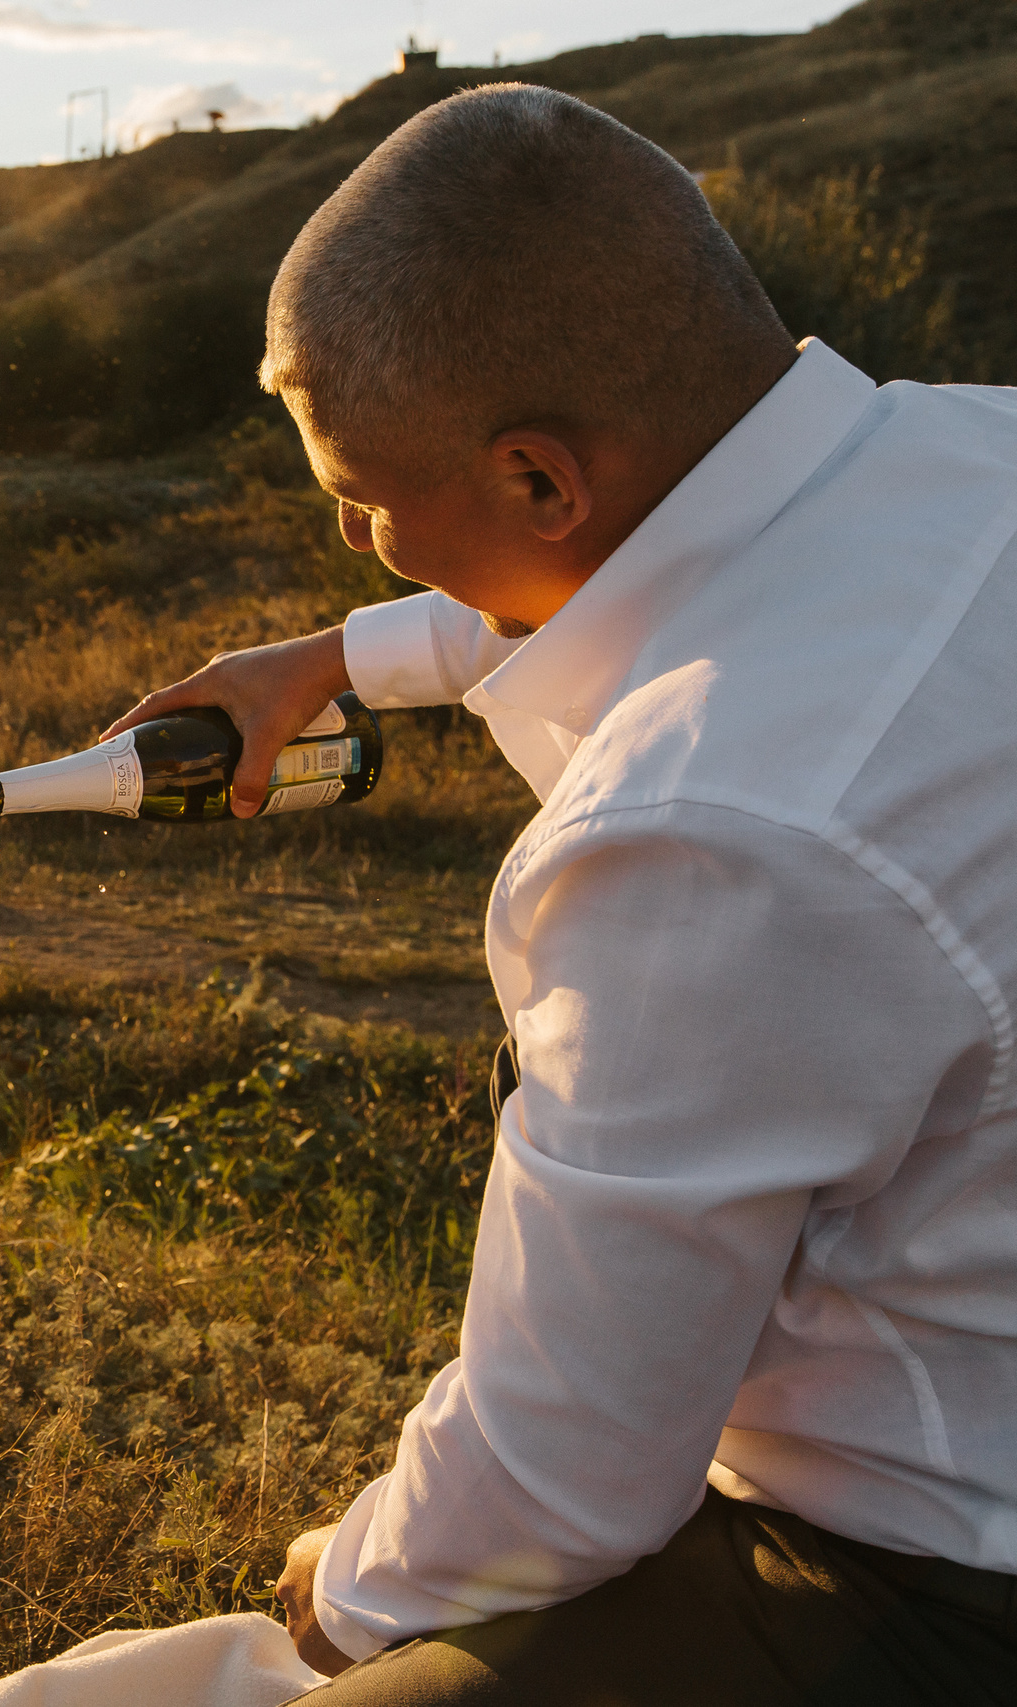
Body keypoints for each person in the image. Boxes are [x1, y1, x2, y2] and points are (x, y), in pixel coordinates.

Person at [108, 85, 1017, 1703]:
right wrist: (337, 654)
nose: (357, 535)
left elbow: (567, 1475)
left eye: (369, 501)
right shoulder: (962, 450)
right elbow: (683, 561)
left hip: (936, 1572)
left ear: (538, 480)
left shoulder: (712, 832)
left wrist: (350, 1587)